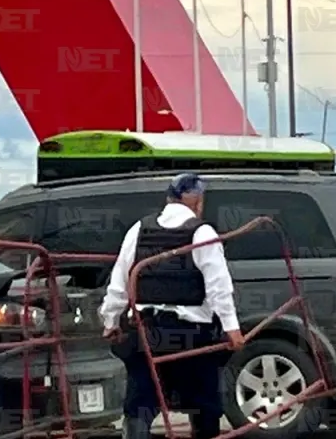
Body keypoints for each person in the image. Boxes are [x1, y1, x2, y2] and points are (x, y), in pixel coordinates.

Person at [99, 173, 245, 439]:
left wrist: (110, 321)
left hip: (147, 332)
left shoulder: (138, 229)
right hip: (193, 336)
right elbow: (218, 286)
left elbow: (119, 281)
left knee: (140, 403)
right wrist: (232, 328)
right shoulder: (202, 232)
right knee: (205, 404)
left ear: (168, 199)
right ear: (197, 201)